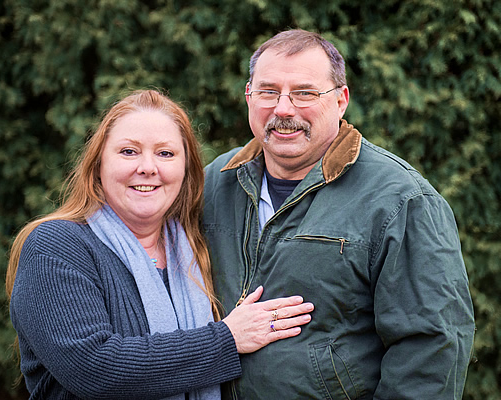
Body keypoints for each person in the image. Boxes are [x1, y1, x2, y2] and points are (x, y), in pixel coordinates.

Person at [203, 29, 475, 399]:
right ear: (249, 96)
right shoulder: (216, 182)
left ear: (341, 100)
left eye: (305, 93)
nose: (283, 108)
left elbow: (433, 346)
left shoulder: (400, 199)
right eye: (268, 91)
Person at [5, 90, 314, 400]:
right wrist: (227, 339)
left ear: (186, 170)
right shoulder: (56, 246)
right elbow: (94, 369)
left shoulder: (197, 250)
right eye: (128, 152)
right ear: (98, 163)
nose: (148, 167)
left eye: (165, 154)